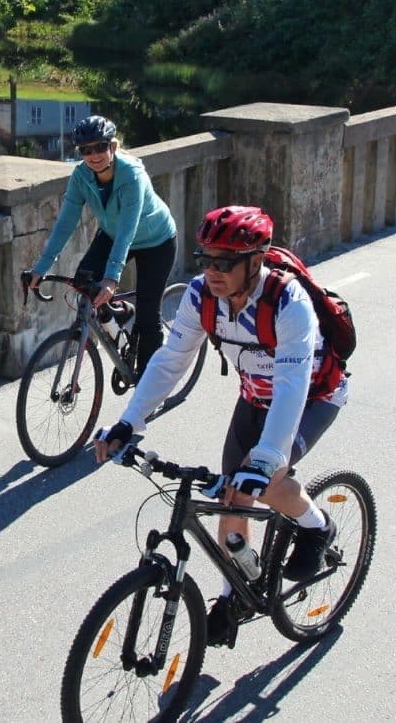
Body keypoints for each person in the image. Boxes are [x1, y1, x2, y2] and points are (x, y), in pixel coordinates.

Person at [93, 205, 349, 649]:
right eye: (205, 259)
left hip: (312, 396)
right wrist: (128, 423)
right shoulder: (200, 296)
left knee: (261, 482)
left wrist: (268, 459)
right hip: (254, 396)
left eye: (224, 262)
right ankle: (236, 594)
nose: (212, 271)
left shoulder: (289, 303)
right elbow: (170, 362)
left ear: (256, 260)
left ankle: (316, 526)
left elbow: (291, 386)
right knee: (232, 493)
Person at [27, 115, 177, 377]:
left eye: (100, 147)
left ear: (113, 146)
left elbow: (128, 230)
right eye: (86, 150)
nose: (93, 155)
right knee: (82, 282)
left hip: (156, 241)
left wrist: (112, 277)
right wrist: (40, 267)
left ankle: (148, 388)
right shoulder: (81, 176)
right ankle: (118, 314)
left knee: (147, 318)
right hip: (112, 233)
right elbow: (65, 223)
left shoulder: (132, 176)